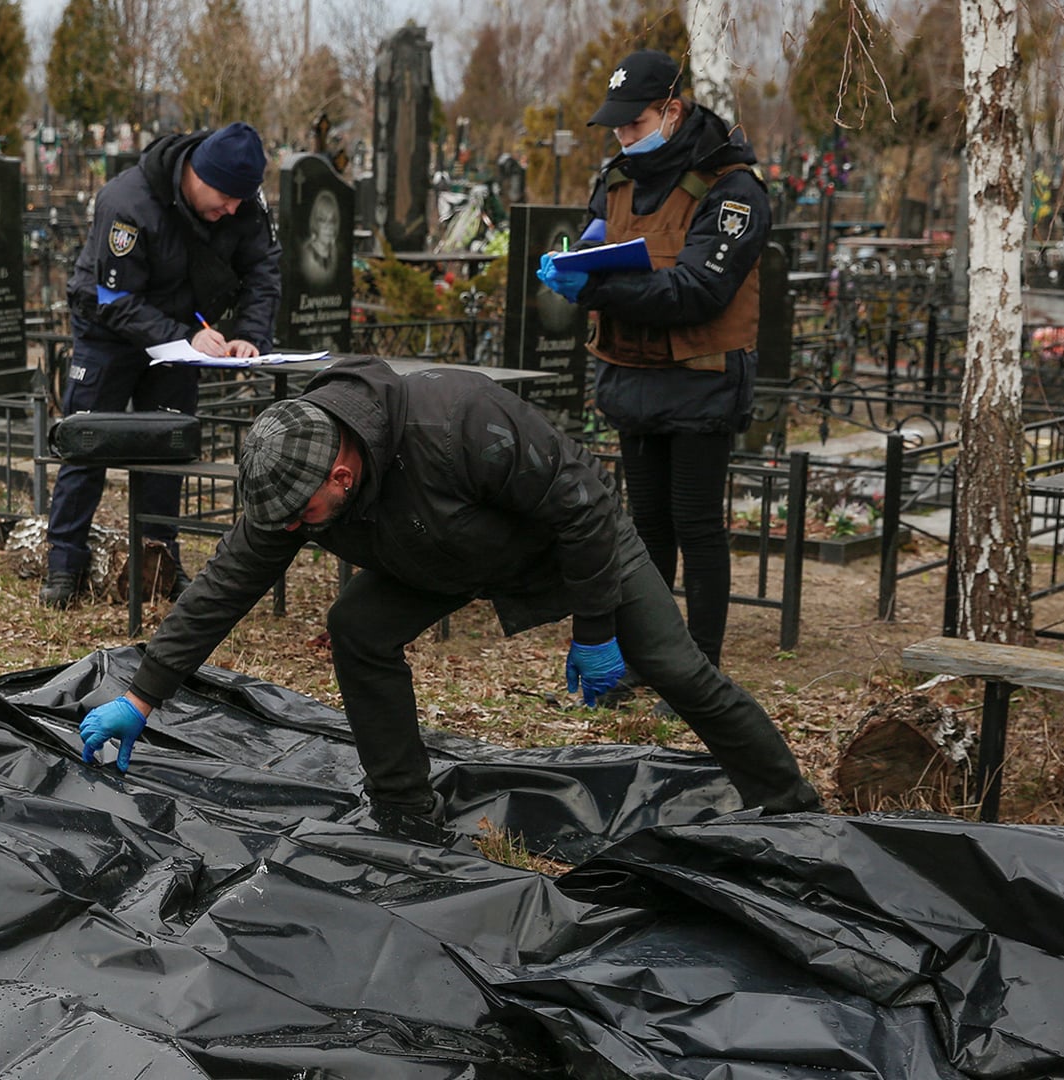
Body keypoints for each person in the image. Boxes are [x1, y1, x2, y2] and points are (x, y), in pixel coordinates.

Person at [74, 357, 821, 824]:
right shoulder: (298, 485)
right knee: (360, 626)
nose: (294, 530)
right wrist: (142, 696)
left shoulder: (459, 421)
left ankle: (793, 806)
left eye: (304, 517)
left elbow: (583, 507)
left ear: (342, 476)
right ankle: (404, 806)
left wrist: (595, 626)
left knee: (676, 666)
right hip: (446, 555)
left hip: (573, 542)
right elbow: (223, 586)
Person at [538, 49, 771, 684]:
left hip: (700, 380)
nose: (622, 137)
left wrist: (596, 289)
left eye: (633, 125)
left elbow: (700, 291)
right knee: (647, 528)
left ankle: (701, 671)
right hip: (631, 376)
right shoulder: (617, 178)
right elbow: (596, 236)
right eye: (614, 127)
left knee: (695, 525)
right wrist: (573, 261)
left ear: (672, 111)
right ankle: (650, 655)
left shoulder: (732, 188)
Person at [41, 121, 281, 608]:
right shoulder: (127, 202)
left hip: (180, 339)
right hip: (108, 330)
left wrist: (249, 336)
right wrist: (184, 335)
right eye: (226, 197)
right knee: (87, 441)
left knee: (168, 448)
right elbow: (114, 298)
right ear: (198, 173)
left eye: (241, 200)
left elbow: (263, 269)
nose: (232, 209)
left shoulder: (241, 204)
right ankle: (64, 563)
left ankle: (159, 565)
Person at [298, 188, 342, 287]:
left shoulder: (336, 252)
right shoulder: (306, 253)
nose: (329, 227)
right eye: (323, 220)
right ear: (315, 223)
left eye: (332, 220)